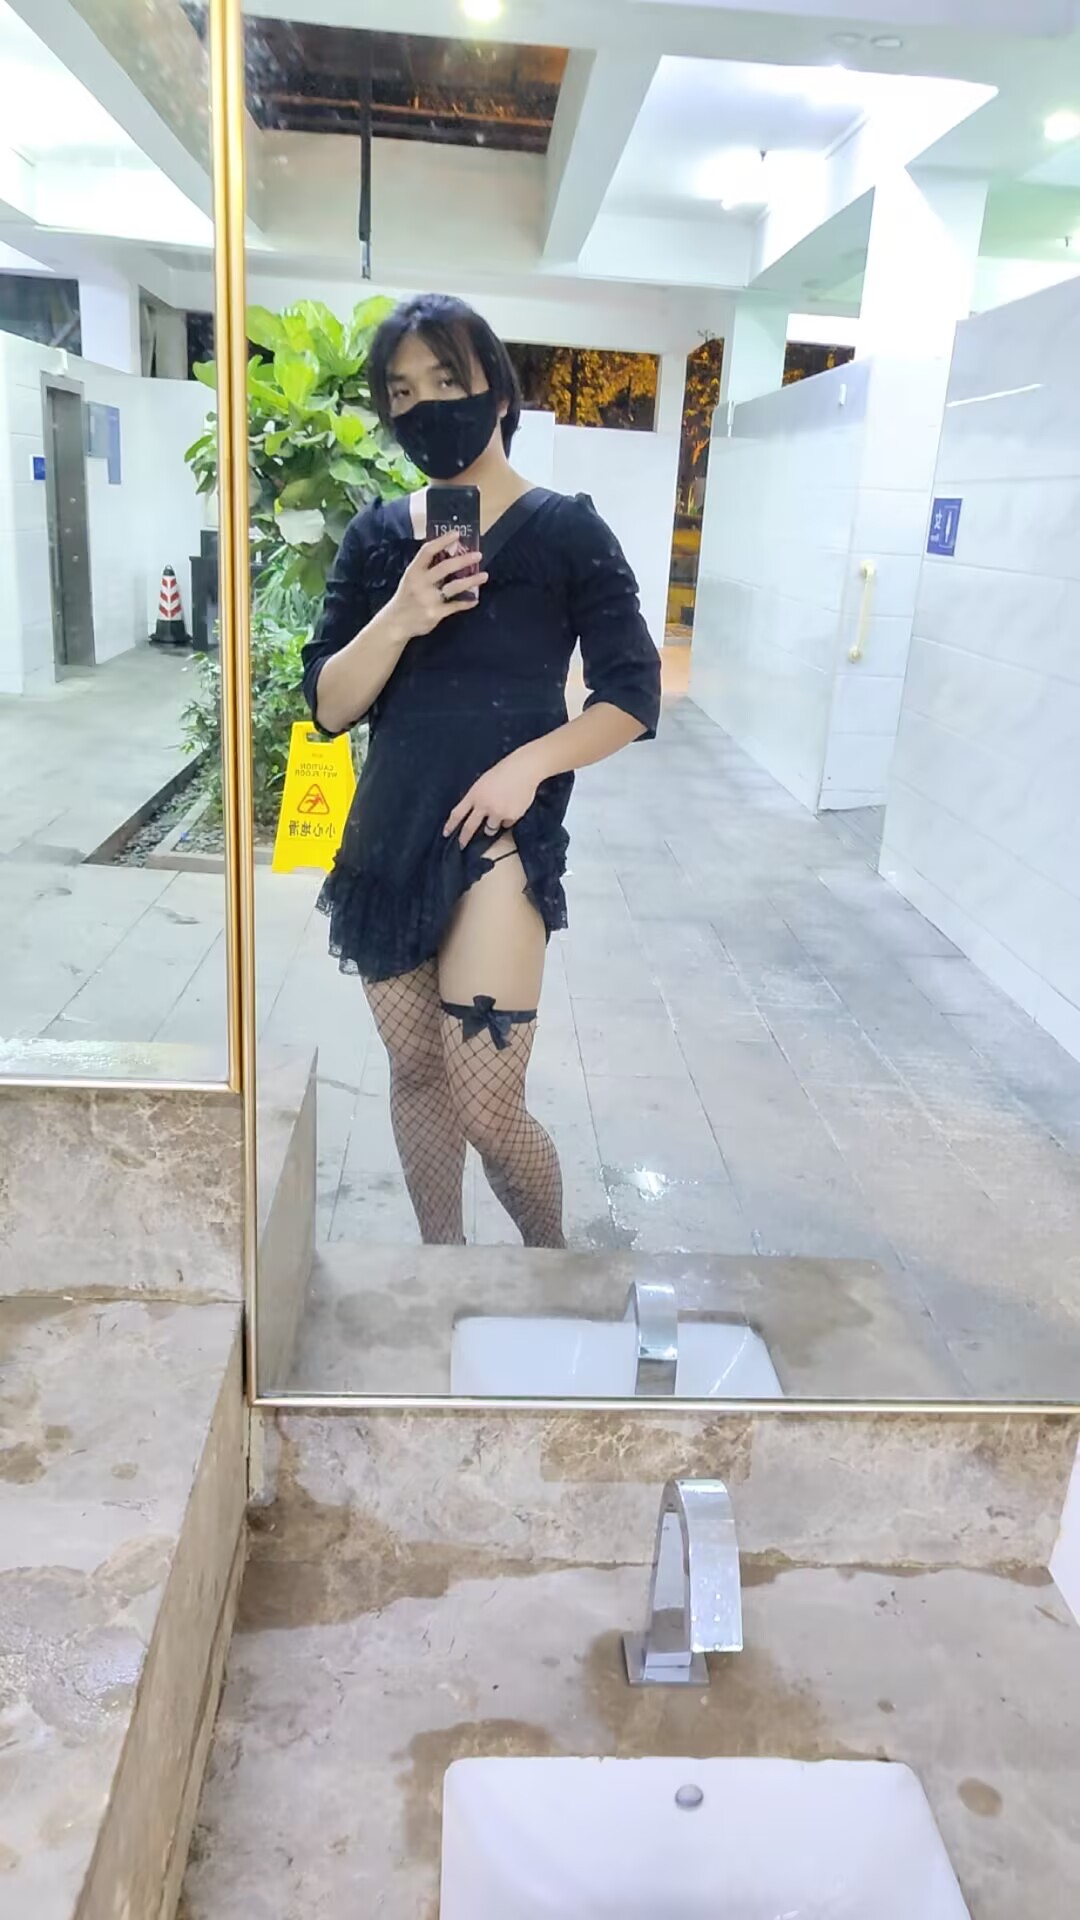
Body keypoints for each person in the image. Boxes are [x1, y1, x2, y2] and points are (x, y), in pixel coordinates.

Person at [301, 293, 661, 1251]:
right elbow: (330, 704)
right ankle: (442, 1271)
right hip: (389, 836)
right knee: (416, 1075)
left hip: (498, 837)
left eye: (445, 381)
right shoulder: (377, 539)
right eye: (401, 392)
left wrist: (528, 770)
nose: (424, 406)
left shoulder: (566, 531)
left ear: (498, 392)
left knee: (489, 1106)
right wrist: (401, 614)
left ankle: (551, 1271)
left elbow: (632, 695)